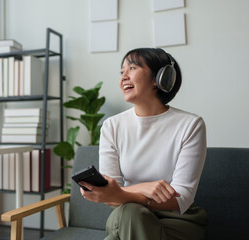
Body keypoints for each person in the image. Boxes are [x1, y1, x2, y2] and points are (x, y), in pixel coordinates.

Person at [79, 48, 208, 240]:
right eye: (122, 72)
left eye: (132, 68)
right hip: (126, 216)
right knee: (130, 212)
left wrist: (122, 194)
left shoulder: (190, 125)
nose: (123, 77)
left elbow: (182, 197)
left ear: (159, 78)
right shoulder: (112, 126)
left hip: (177, 221)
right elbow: (109, 195)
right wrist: (143, 188)